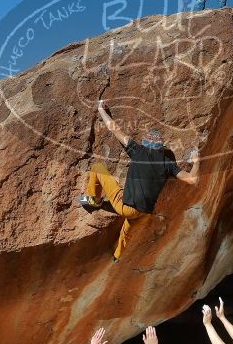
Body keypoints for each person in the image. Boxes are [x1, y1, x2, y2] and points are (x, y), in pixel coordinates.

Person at [77, 99, 200, 262]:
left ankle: (94, 200)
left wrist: (101, 109)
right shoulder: (168, 164)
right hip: (144, 213)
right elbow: (192, 179)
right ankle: (117, 257)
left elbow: (114, 129)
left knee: (98, 168)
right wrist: (197, 161)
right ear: (160, 148)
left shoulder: (139, 151)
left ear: (146, 143)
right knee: (127, 229)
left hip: (126, 207)